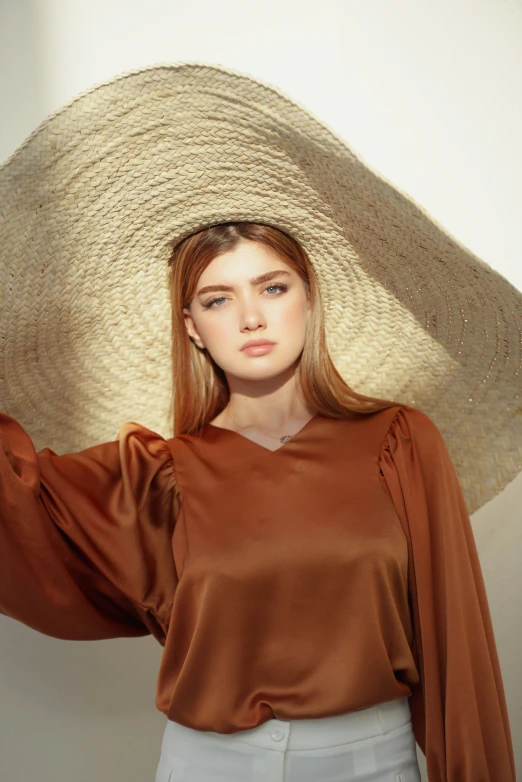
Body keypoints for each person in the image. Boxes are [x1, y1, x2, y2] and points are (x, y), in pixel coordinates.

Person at [0, 64, 518, 782]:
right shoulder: (154, 478)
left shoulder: (400, 443)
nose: (250, 316)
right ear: (191, 328)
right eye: (217, 299)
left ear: (308, 297)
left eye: (272, 287)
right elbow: (14, 505)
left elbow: (457, 654)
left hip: (370, 764)